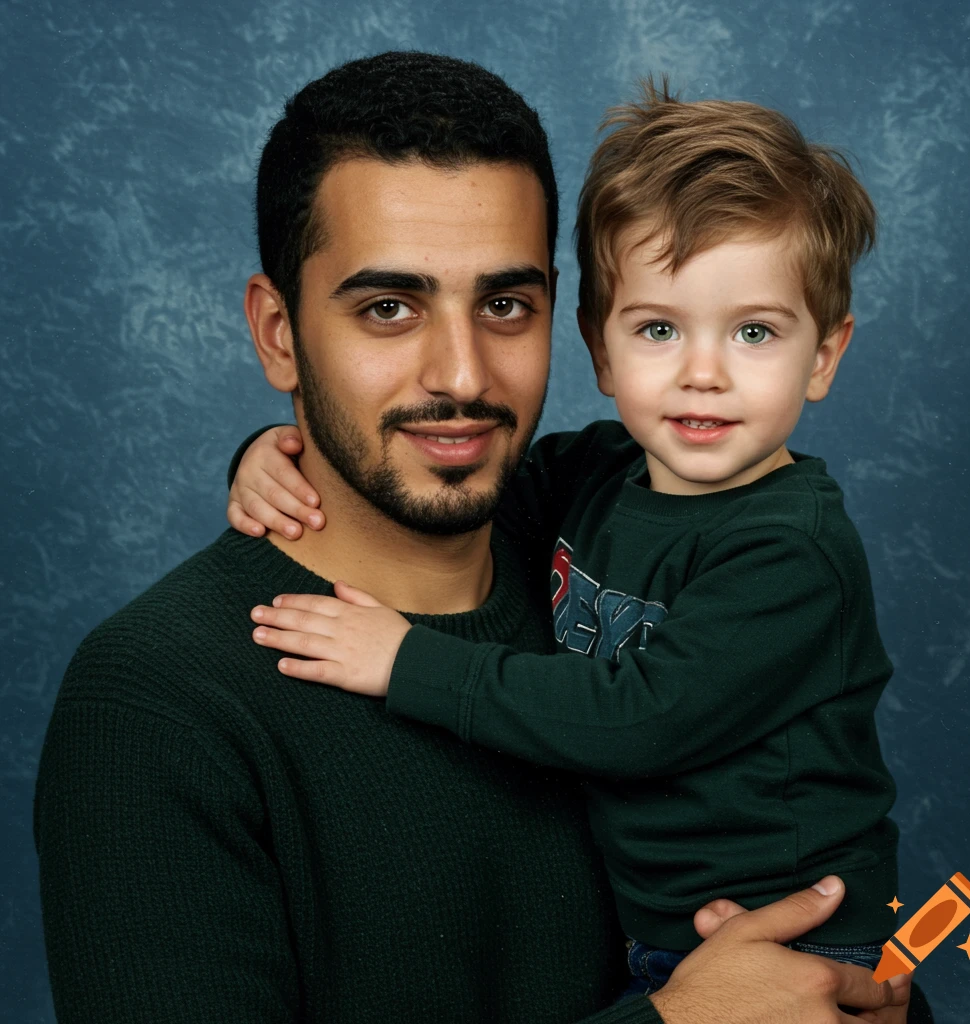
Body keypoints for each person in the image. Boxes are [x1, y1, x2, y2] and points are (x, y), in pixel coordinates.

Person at [35, 51, 917, 1024]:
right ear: (279, 333)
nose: (460, 374)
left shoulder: (588, 538)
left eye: (503, 305)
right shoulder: (159, 700)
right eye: (388, 307)